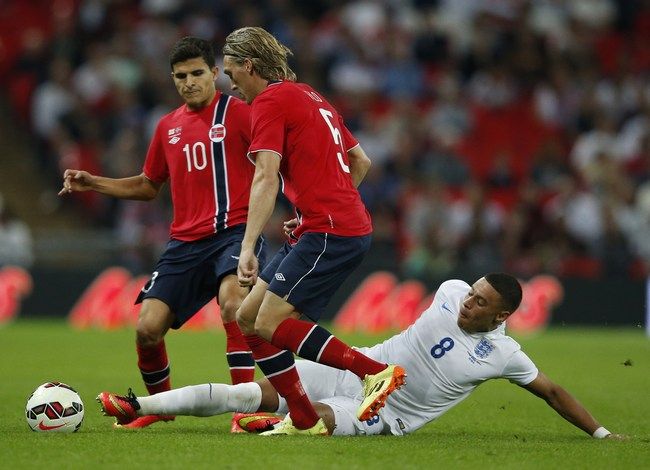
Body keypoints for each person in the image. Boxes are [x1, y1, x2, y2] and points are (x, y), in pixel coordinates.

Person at [97, 273, 624, 439]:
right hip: (354, 366)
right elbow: (455, 294)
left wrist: (601, 434)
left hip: (387, 412)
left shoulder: (504, 355)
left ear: (501, 315)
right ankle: (141, 407)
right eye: (472, 292)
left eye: (481, 302)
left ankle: (274, 427)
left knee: (317, 421)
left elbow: (552, 391)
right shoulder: (449, 290)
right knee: (249, 391)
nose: (469, 301)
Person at [59, 37, 273, 431]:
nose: (189, 82)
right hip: (184, 244)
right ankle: (160, 406)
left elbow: (271, 167)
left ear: (214, 73)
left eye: (196, 73)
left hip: (235, 232)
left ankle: (243, 410)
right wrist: (94, 182)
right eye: (180, 76)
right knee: (147, 329)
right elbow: (147, 185)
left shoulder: (241, 113)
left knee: (233, 305)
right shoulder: (167, 126)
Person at [218, 26, 405, 435]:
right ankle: (304, 418)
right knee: (247, 318)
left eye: (231, 73)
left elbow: (266, 175)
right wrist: (313, 209)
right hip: (328, 225)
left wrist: (248, 246)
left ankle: (373, 371)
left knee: (268, 323)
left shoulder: (269, 101)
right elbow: (361, 162)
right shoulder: (310, 95)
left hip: (329, 231)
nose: (230, 85)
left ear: (249, 66)